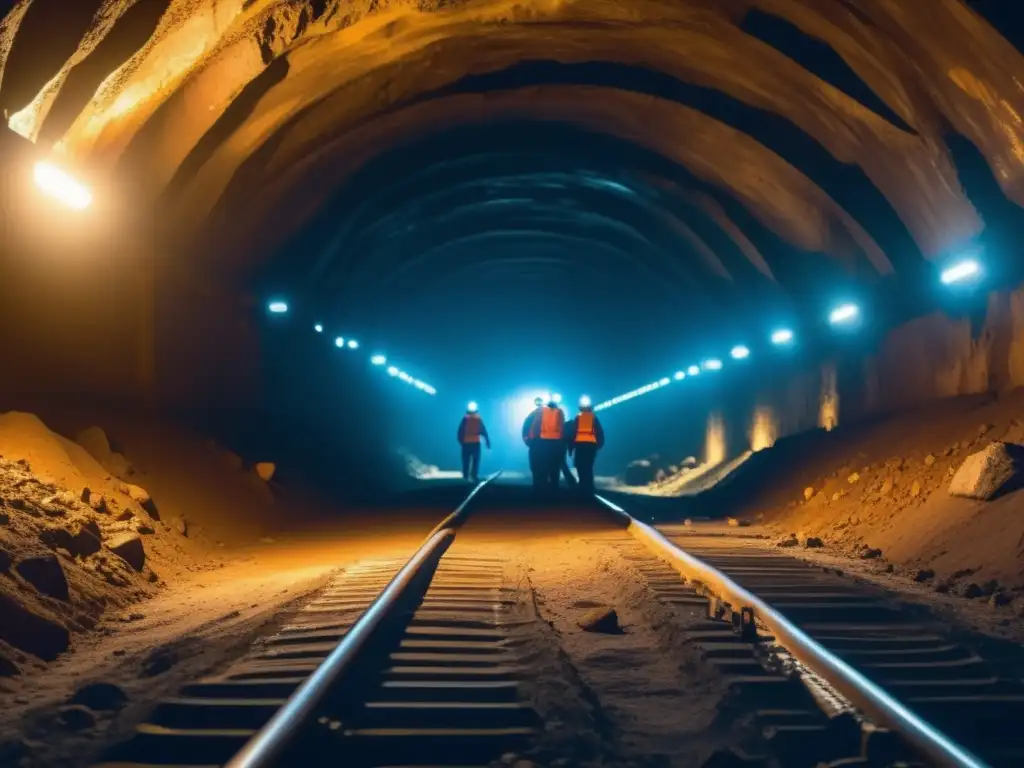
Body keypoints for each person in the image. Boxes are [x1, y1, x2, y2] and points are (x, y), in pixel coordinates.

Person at [525, 395, 565, 490]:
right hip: (556, 443)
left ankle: (540, 489)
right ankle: (554, 489)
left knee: (541, 468)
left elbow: (534, 425)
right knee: (555, 468)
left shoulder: (540, 412)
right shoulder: (560, 412)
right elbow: (562, 427)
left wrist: (531, 440)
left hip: (542, 442)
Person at [566, 395, 604, 494]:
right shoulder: (594, 418)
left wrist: (570, 448)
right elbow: (600, 432)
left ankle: (582, 486)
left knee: (580, 466)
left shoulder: (578, 418)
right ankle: (589, 487)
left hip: (580, 446)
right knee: (588, 466)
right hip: (591, 447)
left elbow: (572, 433)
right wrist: (599, 445)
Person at [457, 401, 490, 482]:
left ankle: (465, 476)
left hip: (466, 443)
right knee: (475, 460)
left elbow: (460, 431)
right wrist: (488, 443)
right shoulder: (478, 419)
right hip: (475, 443)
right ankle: (474, 476)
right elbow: (484, 431)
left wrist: (461, 441)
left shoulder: (465, 419)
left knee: (466, 461)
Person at [522, 396, 546, 489]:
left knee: (535, 463)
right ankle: (544, 482)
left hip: (535, 442)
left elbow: (525, 428)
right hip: (545, 442)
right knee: (544, 462)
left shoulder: (532, 414)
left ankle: (537, 483)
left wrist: (527, 441)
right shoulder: (549, 413)